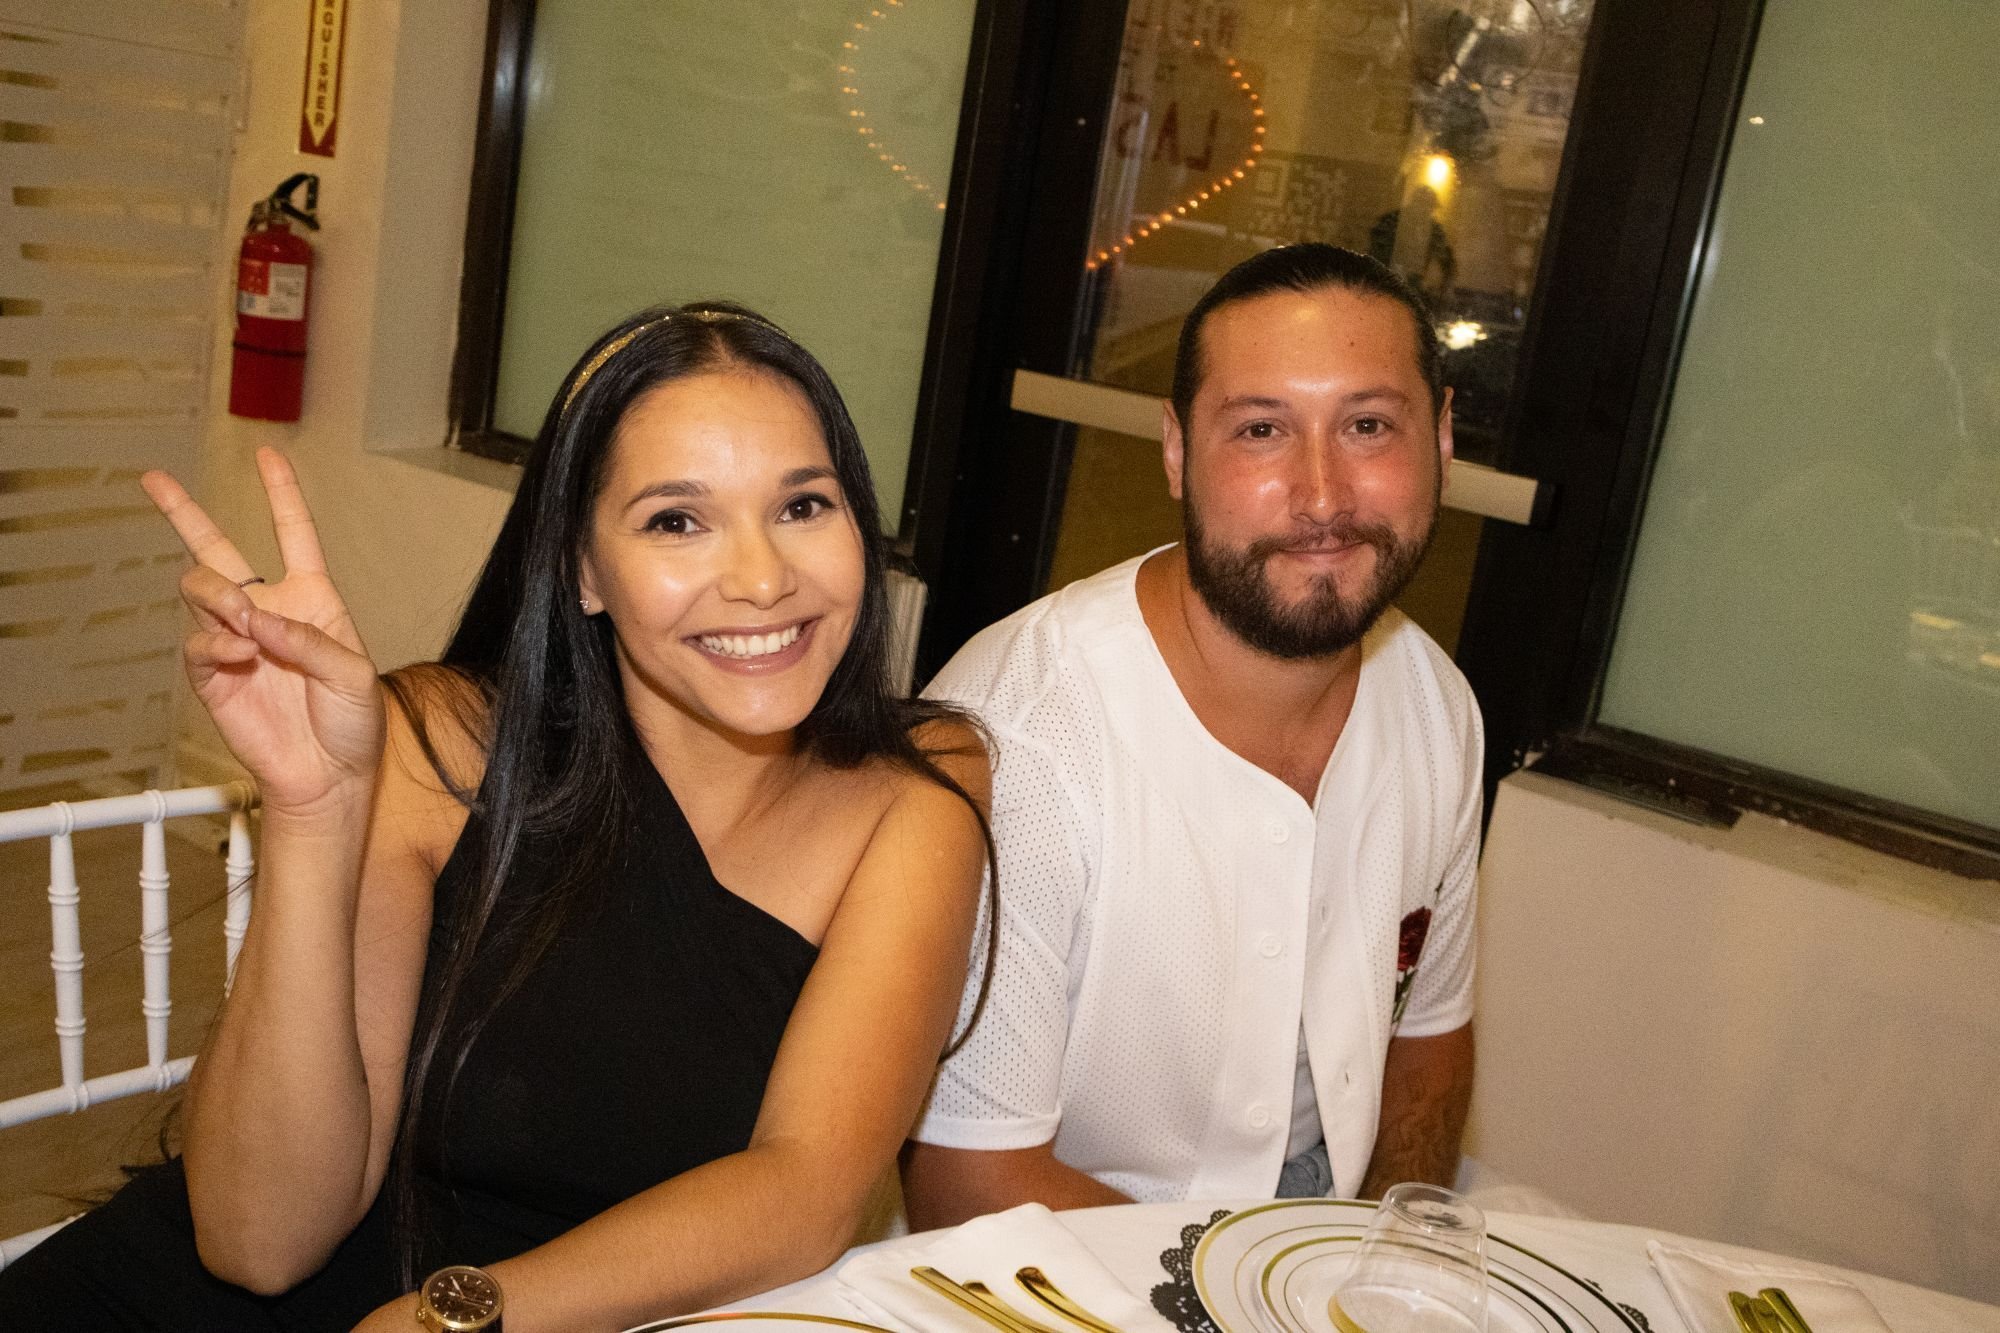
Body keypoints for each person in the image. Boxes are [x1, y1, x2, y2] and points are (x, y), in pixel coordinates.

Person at [0, 303, 991, 1331]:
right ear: (581, 568)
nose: (762, 579)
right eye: (676, 521)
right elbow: (259, 1241)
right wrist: (313, 811)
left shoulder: (917, 787)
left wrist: (453, 1318)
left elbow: (802, 1192)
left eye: (803, 505)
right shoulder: (443, 743)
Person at [902, 244, 1480, 1227]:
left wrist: (1375, 1261)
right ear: (1175, 452)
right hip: (1064, 1258)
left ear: (1442, 439)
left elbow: (1427, 1045)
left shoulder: (1437, 704)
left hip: (1314, 1228)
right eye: (1260, 430)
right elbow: (970, 1190)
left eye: (1368, 426)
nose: (1323, 495)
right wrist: (1257, 1288)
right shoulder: (1017, 741)